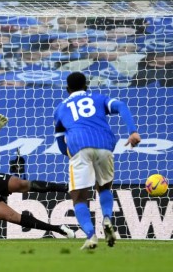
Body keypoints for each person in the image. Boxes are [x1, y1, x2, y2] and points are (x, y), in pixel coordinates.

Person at [54, 71, 141, 250]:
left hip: (80, 146)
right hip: (105, 144)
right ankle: (107, 218)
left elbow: (60, 141)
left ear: (67, 89)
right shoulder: (99, 98)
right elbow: (122, 106)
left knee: (78, 198)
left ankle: (91, 235)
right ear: (86, 86)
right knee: (104, 187)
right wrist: (132, 131)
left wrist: (69, 155)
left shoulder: (61, 108)